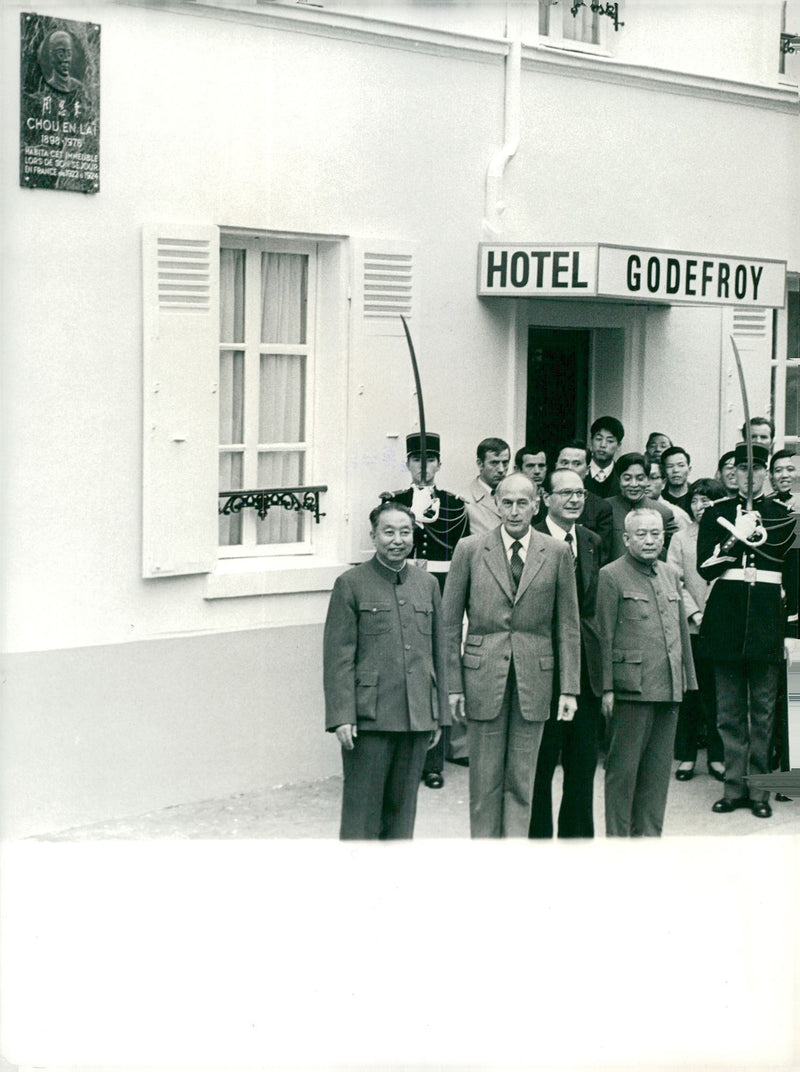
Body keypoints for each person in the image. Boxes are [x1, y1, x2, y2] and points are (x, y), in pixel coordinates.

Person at [442, 472, 581, 837]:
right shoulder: (469, 549)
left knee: (523, 779)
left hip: (535, 677)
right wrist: (454, 686)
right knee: (484, 781)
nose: (515, 511)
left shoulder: (556, 552)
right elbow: (449, 624)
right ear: (496, 504)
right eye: (507, 502)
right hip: (482, 674)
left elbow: (568, 625)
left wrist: (569, 689)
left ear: (536, 505)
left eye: (523, 502)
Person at [323, 502, 449, 839]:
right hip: (369, 718)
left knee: (402, 812)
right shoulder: (350, 584)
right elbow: (338, 657)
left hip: (416, 716)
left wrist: (440, 715)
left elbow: (440, 652)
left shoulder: (428, 585)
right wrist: (342, 716)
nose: (397, 540)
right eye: (388, 532)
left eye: (405, 532)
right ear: (373, 536)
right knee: (362, 812)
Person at [698, 443, 798, 819]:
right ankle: (734, 787)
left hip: (767, 622)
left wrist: (790, 629)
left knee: (762, 710)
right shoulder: (716, 514)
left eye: (758, 470)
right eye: (743, 469)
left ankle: (759, 791)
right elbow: (706, 568)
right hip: (725, 621)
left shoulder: (784, 516)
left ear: (767, 475)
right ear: (733, 473)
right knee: (728, 711)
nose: (750, 476)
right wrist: (732, 538)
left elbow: (795, 574)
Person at [596, 508, 697, 837]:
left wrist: (686, 680)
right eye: (642, 534)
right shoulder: (610, 575)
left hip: (668, 688)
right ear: (626, 539)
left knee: (656, 778)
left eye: (656, 533)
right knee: (622, 776)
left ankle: (648, 844)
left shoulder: (669, 573)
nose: (650, 540)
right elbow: (603, 636)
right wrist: (606, 689)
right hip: (631, 691)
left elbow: (680, 632)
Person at [380, 432, 470, 788]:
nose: (423, 466)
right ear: (407, 463)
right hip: (402, 590)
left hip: (442, 594)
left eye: (430, 460)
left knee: (437, 671)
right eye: (417, 460)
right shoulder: (394, 503)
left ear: (439, 464)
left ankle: (432, 762)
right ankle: (400, 760)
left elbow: (459, 556)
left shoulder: (454, 505)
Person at [529, 468, 603, 839]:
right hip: (543, 668)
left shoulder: (590, 541)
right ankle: (537, 845)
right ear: (546, 497)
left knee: (582, 765)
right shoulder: (531, 539)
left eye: (581, 493)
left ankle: (577, 845)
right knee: (540, 766)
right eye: (566, 493)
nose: (575, 500)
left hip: (585, 670)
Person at [667, 478, 727, 783]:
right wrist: (695, 613)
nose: (701, 506)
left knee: (719, 694)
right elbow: (674, 578)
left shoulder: (731, 535)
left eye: (708, 500)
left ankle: (718, 757)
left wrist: (714, 614)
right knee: (690, 693)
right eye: (696, 500)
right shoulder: (680, 538)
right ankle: (687, 756)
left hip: (721, 624)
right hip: (691, 626)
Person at [606, 452, 677, 560]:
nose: (634, 484)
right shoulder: (604, 508)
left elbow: (673, 553)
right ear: (618, 479)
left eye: (640, 478)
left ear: (647, 480)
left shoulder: (663, 512)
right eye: (627, 478)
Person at [553, 439, 613, 564]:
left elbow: (601, 557)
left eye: (576, 463)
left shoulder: (601, 508)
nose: (569, 468)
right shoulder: (544, 502)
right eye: (564, 462)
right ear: (556, 466)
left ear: (587, 470)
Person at [463, 437, 510, 535]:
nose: (501, 469)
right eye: (494, 463)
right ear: (480, 464)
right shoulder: (465, 500)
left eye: (505, 463)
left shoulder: (515, 494)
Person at [645, 458, 691, 531]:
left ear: (663, 483)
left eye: (653, 478)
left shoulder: (677, 515)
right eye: (641, 478)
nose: (646, 483)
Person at [584, 417, 624, 499]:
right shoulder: (580, 471)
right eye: (598, 439)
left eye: (610, 441)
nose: (603, 445)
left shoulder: (621, 475)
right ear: (591, 440)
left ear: (618, 446)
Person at [514, 444, 548, 524]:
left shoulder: (550, 497)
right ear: (518, 469)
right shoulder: (510, 497)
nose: (537, 471)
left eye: (541, 466)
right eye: (530, 466)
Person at [661, 446, 693, 515]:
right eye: (670, 466)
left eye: (681, 465)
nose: (676, 470)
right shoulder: (659, 498)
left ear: (689, 469)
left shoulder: (696, 496)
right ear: (663, 471)